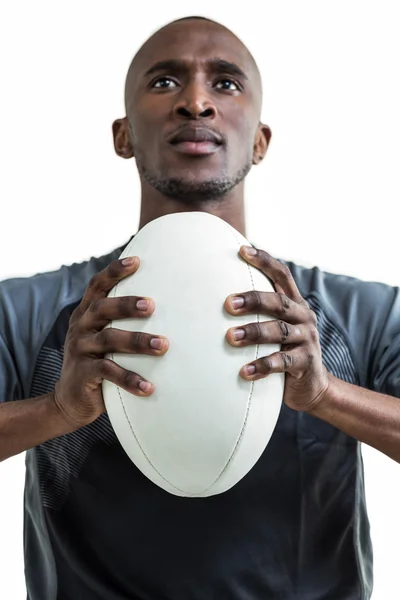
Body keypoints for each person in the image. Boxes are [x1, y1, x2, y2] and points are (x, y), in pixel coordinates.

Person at [0, 14, 399, 600]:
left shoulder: (359, 314)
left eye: (226, 84)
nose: (195, 102)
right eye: (164, 82)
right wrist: (56, 411)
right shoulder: (32, 312)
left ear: (260, 141)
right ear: (123, 135)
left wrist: (326, 395)